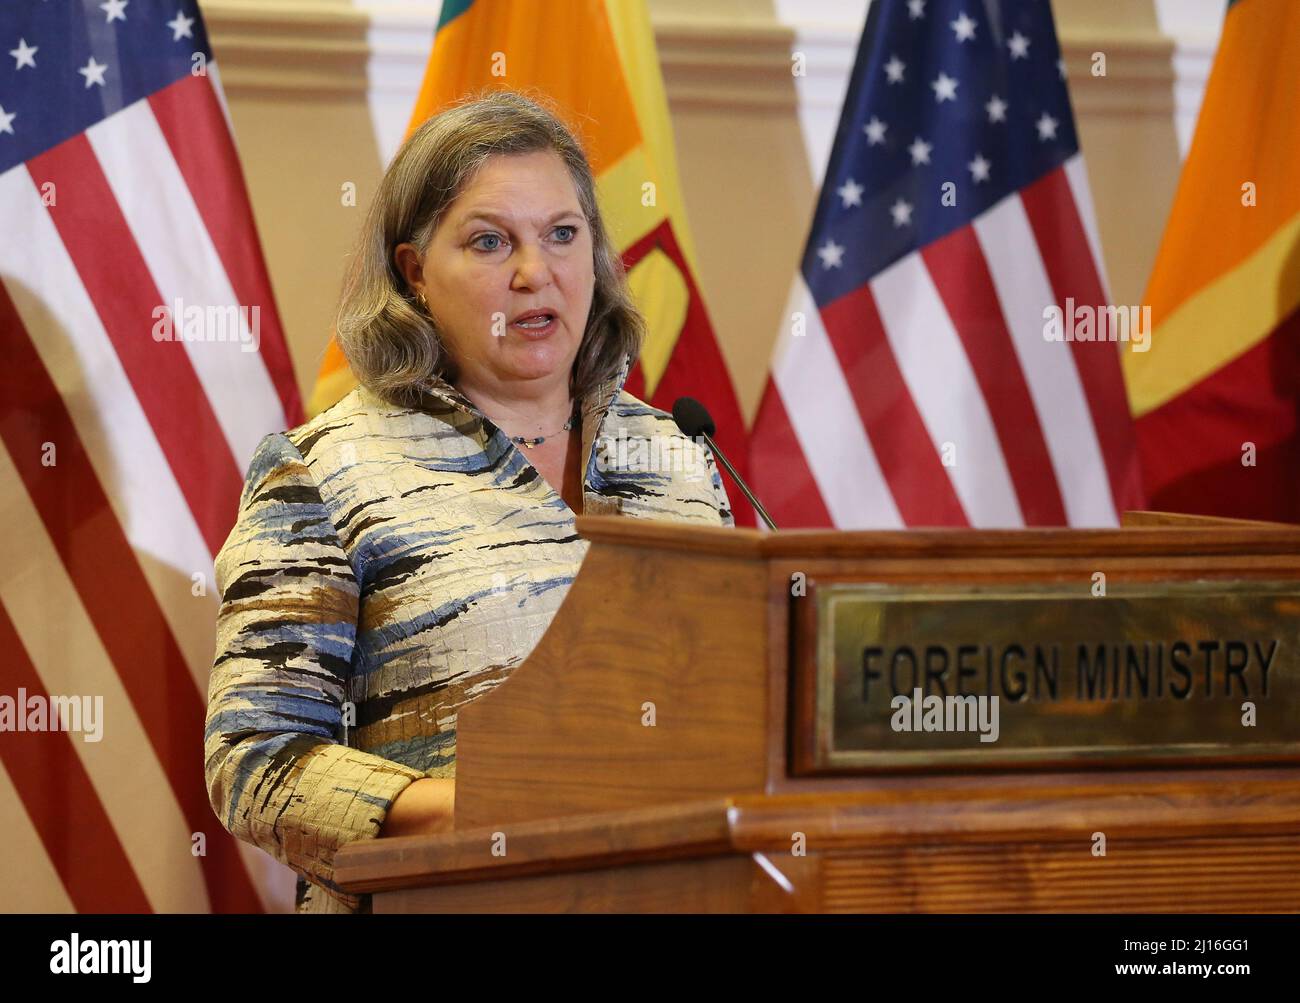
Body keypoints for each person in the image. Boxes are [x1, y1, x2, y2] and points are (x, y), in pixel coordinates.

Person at [203, 89, 735, 914]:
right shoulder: (324, 469)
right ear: (414, 272)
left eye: (563, 233)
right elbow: (255, 761)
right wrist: (490, 814)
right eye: (491, 241)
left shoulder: (677, 457)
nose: (537, 272)